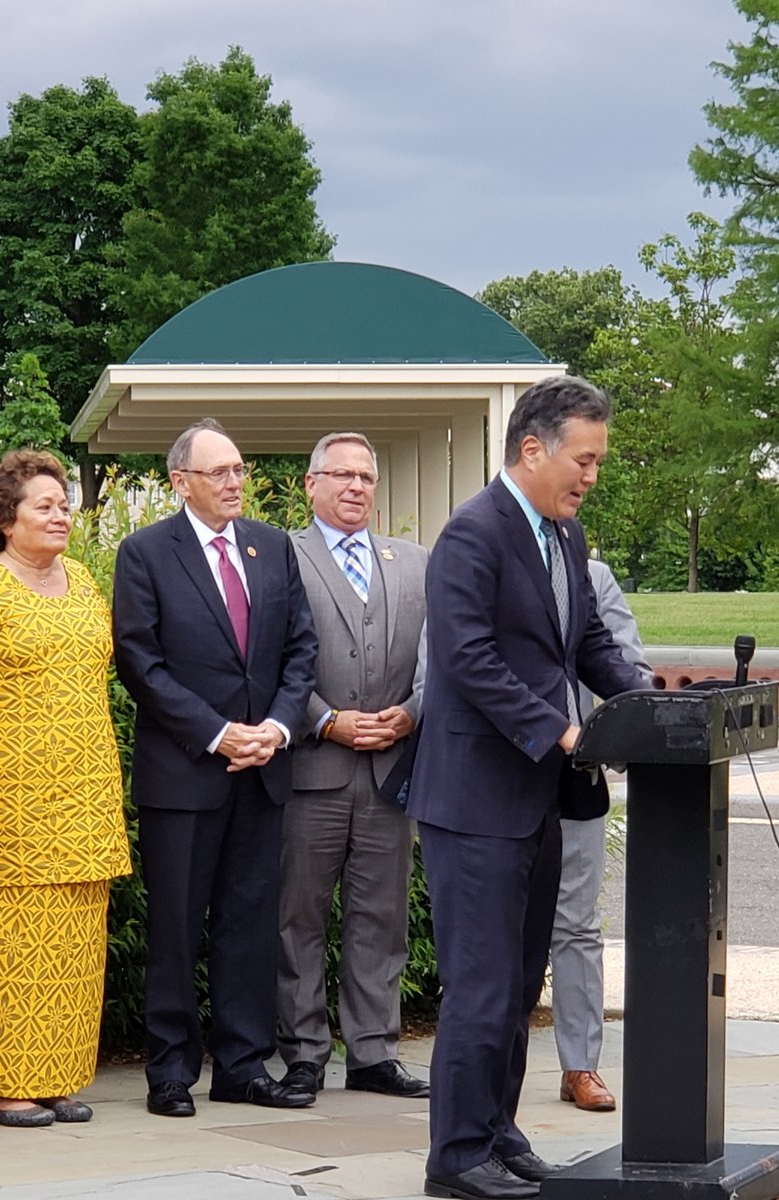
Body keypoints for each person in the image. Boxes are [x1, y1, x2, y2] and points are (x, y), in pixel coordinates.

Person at [406, 376, 649, 1200]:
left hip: (535, 800)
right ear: (533, 448)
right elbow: (468, 661)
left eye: (598, 463)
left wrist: (642, 705)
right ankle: (454, 1160)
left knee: (517, 984)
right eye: (583, 459)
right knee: (479, 985)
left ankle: (497, 1135)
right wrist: (563, 730)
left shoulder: (565, 538)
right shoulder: (472, 535)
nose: (591, 476)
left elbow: (584, 642)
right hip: (473, 801)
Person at [0, 450, 131, 1127]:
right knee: (10, 942)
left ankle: (53, 1077)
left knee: (73, 941)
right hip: (7, 803)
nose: (62, 513)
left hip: (85, 794)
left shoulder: (85, 580)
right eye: (45, 504)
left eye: (64, 503)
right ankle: (2, 1084)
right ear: (5, 519)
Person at [112, 419, 317, 1117]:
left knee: (249, 921)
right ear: (180, 482)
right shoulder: (144, 553)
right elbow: (141, 662)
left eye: (239, 470)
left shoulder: (272, 546)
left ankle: (242, 1065)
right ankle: (170, 1071)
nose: (235, 482)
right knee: (175, 924)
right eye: (219, 472)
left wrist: (278, 728)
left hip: (262, 767)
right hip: (186, 775)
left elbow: (300, 648)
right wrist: (217, 733)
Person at [277, 431, 429, 1099]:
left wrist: (414, 712)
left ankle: (373, 1053)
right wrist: (324, 718)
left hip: (391, 774)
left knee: (381, 917)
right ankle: (305, 1051)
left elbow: (444, 657)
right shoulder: (282, 557)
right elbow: (266, 662)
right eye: (340, 475)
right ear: (311, 485)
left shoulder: (415, 563)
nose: (356, 487)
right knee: (299, 917)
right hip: (313, 770)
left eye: (365, 477)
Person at [551, 558, 651, 1114]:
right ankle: (494, 1072)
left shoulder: (593, 576)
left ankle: (579, 1066)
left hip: (575, 778)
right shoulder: (482, 561)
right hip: (496, 781)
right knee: (498, 930)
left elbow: (626, 664)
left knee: (577, 928)